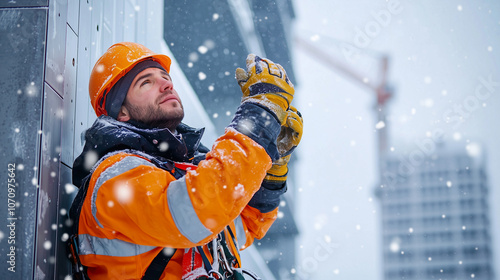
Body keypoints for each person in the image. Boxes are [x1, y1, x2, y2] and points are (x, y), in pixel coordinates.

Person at [69, 42, 303, 280]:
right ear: (122, 112)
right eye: (146, 82)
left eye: (165, 76)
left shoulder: (178, 172)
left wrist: (272, 168)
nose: (167, 83)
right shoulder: (116, 177)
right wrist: (257, 117)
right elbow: (199, 212)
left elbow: (241, 222)